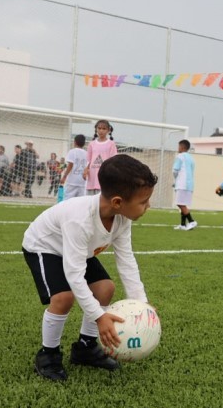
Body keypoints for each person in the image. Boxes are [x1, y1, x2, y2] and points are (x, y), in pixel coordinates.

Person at [22, 154, 158, 381]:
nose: (148, 206)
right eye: (143, 202)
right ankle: (48, 354)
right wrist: (99, 316)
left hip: (77, 249)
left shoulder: (122, 218)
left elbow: (126, 260)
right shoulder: (80, 219)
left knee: (105, 288)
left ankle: (85, 348)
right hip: (44, 246)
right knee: (63, 298)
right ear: (117, 202)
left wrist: (142, 304)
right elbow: (74, 275)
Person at [84, 120, 117, 196]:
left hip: (104, 176)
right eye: (99, 128)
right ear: (96, 129)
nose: (101, 130)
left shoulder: (111, 144)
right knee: (90, 201)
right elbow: (88, 160)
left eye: (104, 129)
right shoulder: (92, 144)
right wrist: (85, 170)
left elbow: (113, 160)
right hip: (92, 177)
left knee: (101, 201)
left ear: (108, 130)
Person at [172, 139, 198, 231]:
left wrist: (175, 179)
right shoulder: (191, 158)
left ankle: (191, 221)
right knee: (182, 203)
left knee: (180, 203)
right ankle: (183, 224)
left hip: (182, 184)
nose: (178, 148)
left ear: (182, 147)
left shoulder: (180, 156)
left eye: (179, 146)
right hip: (189, 184)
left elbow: (175, 170)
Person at [59, 135, 88, 202]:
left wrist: (64, 176)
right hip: (82, 182)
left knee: (67, 201)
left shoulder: (72, 151)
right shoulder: (86, 153)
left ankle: (66, 212)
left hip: (72, 182)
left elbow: (70, 165)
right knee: (80, 202)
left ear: (75, 142)